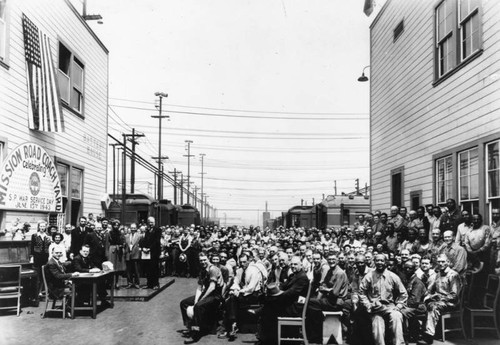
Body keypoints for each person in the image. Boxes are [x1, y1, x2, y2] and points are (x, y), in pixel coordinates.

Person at [258, 255, 309, 345]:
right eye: (292, 264)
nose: (293, 266)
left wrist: (275, 296)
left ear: (301, 265)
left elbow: (290, 293)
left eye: (296, 264)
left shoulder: (302, 278)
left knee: (269, 310)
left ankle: (267, 340)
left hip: (295, 308)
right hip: (290, 303)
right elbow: (283, 286)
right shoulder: (293, 275)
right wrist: (274, 290)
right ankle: (267, 338)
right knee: (269, 307)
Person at [359, 253, 407, 345]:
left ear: (386, 262)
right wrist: (368, 305)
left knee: (396, 316)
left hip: (389, 306)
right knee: (377, 321)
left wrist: (399, 305)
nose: (379, 263)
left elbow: (403, 293)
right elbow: (362, 292)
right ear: (374, 262)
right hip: (375, 307)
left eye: (382, 260)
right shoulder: (369, 276)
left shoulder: (393, 276)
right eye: (377, 260)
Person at [180, 252, 223, 344]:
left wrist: (201, 299)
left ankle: (196, 333)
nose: (203, 262)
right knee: (184, 303)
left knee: (198, 306)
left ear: (208, 259)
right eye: (201, 260)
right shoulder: (202, 270)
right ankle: (189, 327)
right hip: (206, 293)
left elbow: (212, 287)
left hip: (215, 296)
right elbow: (199, 287)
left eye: (204, 260)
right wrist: (196, 300)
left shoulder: (213, 269)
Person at [306, 252, 349, 344]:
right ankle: (316, 334)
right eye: (329, 259)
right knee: (312, 304)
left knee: (311, 303)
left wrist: (325, 289)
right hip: (330, 300)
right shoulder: (330, 271)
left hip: (336, 302)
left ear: (337, 260)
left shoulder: (340, 273)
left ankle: (316, 335)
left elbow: (334, 292)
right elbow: (324, 284)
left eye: (333, 259)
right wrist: (324, 290)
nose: (331, 261)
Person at [221, 253, 263, 340]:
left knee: (231, 299)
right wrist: (235, 289)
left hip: (253, 295)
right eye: (241, 262)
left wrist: (239, 291)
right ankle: (233, 325)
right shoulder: (239, 270)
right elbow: (236, 282)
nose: (242, 264)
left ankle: (230, 326)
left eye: (244, 262)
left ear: (249, 261)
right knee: (231, 297)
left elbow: (251, 288)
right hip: (243, 293)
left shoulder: (254, 271)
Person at [422, 254, 461, 344]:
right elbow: (430, 290)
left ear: (448, 262)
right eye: (439, 262)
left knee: (433, 306)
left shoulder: (453, 275)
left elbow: (454, 296)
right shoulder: (437, 274)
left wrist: (440, 298)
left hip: (450, 303)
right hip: (439, 301)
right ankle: (424, 331)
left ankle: (429, 335)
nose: (440, 263)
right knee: (424, 304)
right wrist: (430, 296)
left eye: (443, 261)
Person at [45, 246, 79, 316]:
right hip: (55, 289)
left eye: (60, 253)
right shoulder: (51, 263)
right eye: (56, 253)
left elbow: (62, 269)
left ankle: (68, 307)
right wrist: (72, 275)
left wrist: (69, 263)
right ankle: (67, 310)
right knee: (74, 291)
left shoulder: (56, 261)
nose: (58, 254)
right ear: (52, 253)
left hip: (59, 285)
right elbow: (58, 276)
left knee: (78, 287)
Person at [399, 261, 426, 342]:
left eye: (410, 268)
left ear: (414, 269)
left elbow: (414, 300)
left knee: (401, 313)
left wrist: (401, 304)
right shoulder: (407, 279)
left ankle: (405, 337)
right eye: (405, 268)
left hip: (418, 306)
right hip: (409, 305)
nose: (407, 270)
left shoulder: (417, 282)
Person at [30, 220, 52, 296]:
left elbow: (50, 246)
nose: (42, 228)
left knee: (44, 274)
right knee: (38, 274)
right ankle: (37, 292)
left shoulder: (48, 235)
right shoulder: (35, 235)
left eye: (44, 226)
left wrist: (50, 240)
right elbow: (32, 246)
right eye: (41, 226)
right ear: (39, 227)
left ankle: (42, 290)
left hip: (45, 257)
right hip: (37, 257)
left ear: (46, 227)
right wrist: (32, 256)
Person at [140, 217, 162, 289]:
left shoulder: (158, 230)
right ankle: (149, 284)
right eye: (149, 222)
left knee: (154, 268)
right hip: (147, 253)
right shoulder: (147, 230)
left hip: (154, 252)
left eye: (152, 222)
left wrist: (150, 248)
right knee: (148, 268)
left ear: (154, 222)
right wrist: (144, 248)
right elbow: (145, 240)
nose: (151, 224)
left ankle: (156, 284)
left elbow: (156, 241)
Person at [106, 220, 126, 289]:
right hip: (112, 250)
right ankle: (111, 283)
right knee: (112, 267)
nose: (116, 226)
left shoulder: (121, 233)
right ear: (112, 225)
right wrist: (107, 253)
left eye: (117, 225)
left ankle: (117, 283)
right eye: (115, 225)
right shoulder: (109, 233)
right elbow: (107, 244)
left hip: (119, 251)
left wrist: (122, 245)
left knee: (117, 268)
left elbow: (123, 241)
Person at [124, 223, 142, 289]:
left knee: (136, 270)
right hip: (128, 254)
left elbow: (141, 244)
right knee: (128, 270)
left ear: (136, 228)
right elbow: (125, 245)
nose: (133, 229)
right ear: (130, 228)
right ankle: (129, 283)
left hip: (136, 254)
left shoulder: (139, 236)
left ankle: (137, 283)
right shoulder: (126, 236)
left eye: (134, 228)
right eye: (132, 228)